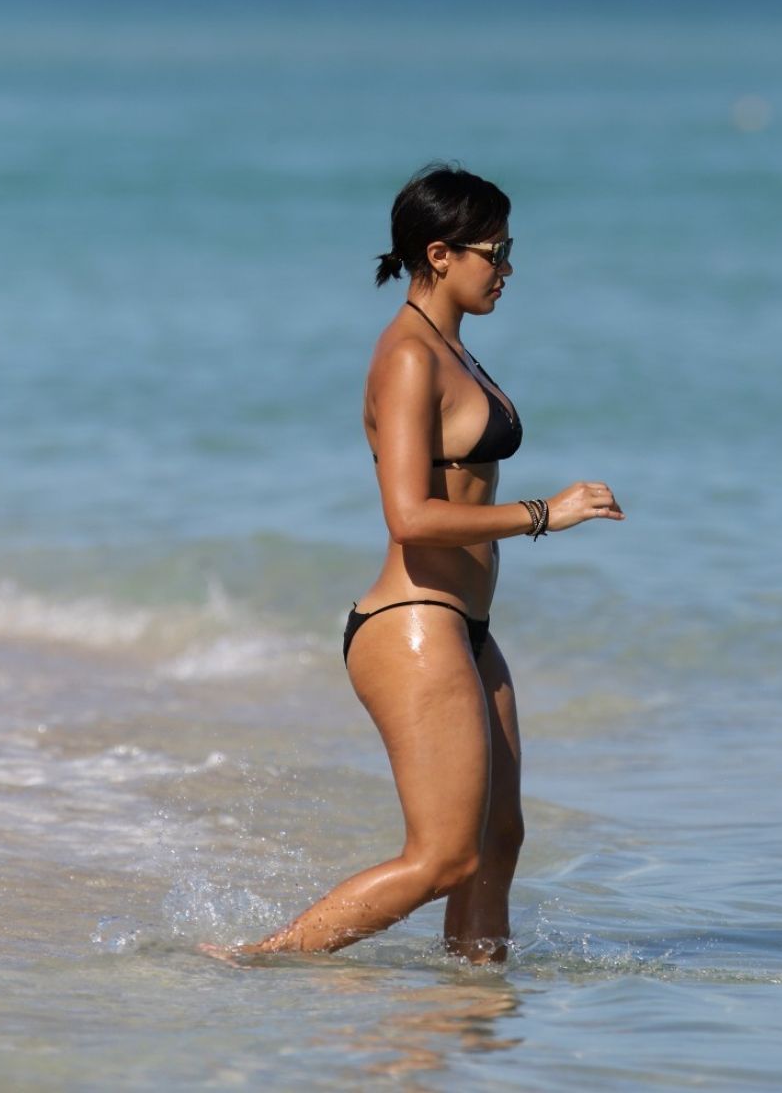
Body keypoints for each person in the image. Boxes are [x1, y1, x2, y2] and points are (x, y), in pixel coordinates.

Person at [202, 163, 624, 966]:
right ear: (440, 254)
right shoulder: (406, 358)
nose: (507, 269)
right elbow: (409, 514)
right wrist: (546, 514)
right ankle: (257, 963)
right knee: (443, 857)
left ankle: (469, 1018)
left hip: (467, 627)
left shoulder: (452, 350)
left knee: (499, 840)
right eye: (494, 252)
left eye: (509, 250)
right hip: (411, 622)